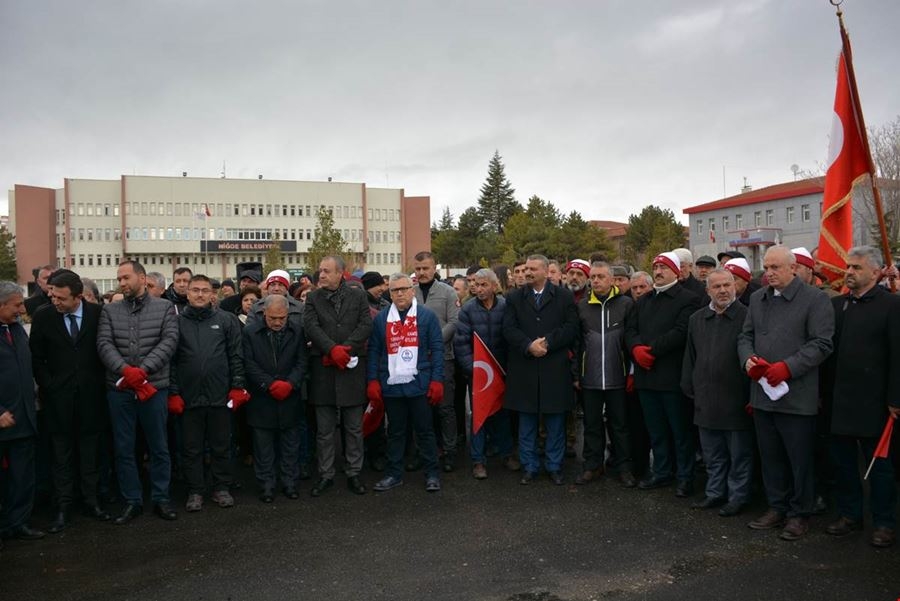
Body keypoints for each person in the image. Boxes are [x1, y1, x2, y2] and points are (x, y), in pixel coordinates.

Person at [737, 245, 834, 541]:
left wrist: (788, 368)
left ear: (793, 268)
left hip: (796, 395)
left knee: (799, 459)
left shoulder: (815, 299)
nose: (769, 273)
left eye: (775, 267)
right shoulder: (758, 298)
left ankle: (799, 513)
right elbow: (745, 336)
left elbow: (822, 343)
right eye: (766, 268)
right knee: (770, 456)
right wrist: (748, 359)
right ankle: (776, 506)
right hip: (763, 393)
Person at [822, 246, 900, 548]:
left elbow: (898, 356)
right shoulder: (837, 305)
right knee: (843, 464)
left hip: (875, 403)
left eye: (856, 267)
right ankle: (849, 514)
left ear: (876, 271)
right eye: (848, 267)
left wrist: (895, 398)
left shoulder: (892, 305)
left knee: (880, 468)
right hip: (839, 401)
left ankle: (884, 522)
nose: (849, 272)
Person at [96, 260, 180, 524]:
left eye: (126, 278)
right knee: (124, 448)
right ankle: (132, 500)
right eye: (119, 278)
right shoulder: (109, 311)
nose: (121, 283)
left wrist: (143, 371)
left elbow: (169, 341)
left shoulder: (164, 308)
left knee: (158, 446)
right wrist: (125, 371)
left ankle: (161, 498)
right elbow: (104, 344)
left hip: (153, 388)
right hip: (120, 389)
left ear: (142, 279)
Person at [30, 269, 111, 532]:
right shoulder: (43, 316)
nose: (55, 301)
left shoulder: (98, 314)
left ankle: (92, 502)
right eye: (52, 296)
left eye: (61, 298)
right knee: (61, 456)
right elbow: (37, 358)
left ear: (78, 296)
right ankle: (63, 506)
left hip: (92, 399)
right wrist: (49, 385)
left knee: (90, 454)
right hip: (57, 400)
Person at [625, 251, 702, 497]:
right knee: (656, 431)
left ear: (676, 271)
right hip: (646, 377)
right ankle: (661, 471)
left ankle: (685, 477)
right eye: (656, 267)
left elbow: (681, 331)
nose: (658, 272)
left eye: (664, 268)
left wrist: (651, 351)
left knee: (680, 432)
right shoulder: (644, 301)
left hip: (671, 378)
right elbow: (630, 330)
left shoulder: (689, 299)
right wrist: (636, 349)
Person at [168, 274, 247, 511]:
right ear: (187, 293)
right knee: (191, 448)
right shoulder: (176, 322)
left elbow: (236, 356)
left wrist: (237, 386)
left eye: (205, 290)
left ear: (213, 294)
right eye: (195, 290)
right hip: (188, 397)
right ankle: (195, 490)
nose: (200, 294)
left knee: (221, 445)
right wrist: (173, 392)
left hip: (219, 396)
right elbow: (170, 361)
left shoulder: (226, 320)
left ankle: (221, 487)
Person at [681, 269, 753, 517]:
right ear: (707, 290)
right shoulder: (697, 319)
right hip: (705, 398)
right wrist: (689, 386)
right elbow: (690, 356)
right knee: (712, 454)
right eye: (717, 286)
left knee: (739, 454)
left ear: (735, 286)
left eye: (727, 285)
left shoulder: (748, 316)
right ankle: (714, 493)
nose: (723, 290)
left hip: (736, 398)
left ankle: (737, 497)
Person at [503, 254, 579, 485]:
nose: (527, 272)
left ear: (546, 271)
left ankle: (554, 466)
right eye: (526, 268)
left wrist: (546, 343)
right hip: (524, 367)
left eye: (533, 269)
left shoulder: (564, 296)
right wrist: (528, 345)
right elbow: (509, 329)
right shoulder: (514, 298)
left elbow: (571, 328)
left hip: (554, 367)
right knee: (527, 422)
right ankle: (530, 466)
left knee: (555, 421)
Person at [368, 273, 445, 493]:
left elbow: (437, 349)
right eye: (395, 290)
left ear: (412, 291)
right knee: (395, 432)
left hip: (419, 383)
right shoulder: (381, 319)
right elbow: (374, 351)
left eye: (404, 289)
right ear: (389, 293)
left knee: (425, 431)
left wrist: (437, 380)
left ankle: (432, 474)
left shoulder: (427, 316)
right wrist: (372, 380)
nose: (400, 293)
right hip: (392, 385)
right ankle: (394, 474)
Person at [303, 256, 373, 497]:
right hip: (323, 370)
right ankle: (326, 474)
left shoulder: (358, 296)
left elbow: (365, 325)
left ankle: (354, 472)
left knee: (353, 427)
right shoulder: (313, 298)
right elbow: (311, 326)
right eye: (320, 270)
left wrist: (346, 349)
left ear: (340, 273)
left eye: (326, 271)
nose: (321, 275)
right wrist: (332, 349)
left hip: (351, 369)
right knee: (324, 430)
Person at [574, 261, 636, 488]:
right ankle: (592, 465)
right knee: (591, 424)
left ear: (611, 279)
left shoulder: (626, 304)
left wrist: (631, 373)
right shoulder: (582, 306)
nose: (596, 281)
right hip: (589, 378)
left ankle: (624, 467)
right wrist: (576, 374)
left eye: (601, 276)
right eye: (593, 277)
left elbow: (631, 340)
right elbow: (577, 343)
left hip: (617, 377)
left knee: (620, 425)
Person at [453, 268, 518, 479]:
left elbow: (512, 338)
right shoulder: (468, 309)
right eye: (476, 285)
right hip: (479, 375)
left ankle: (506, 454)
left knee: (502, 414)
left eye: (483, 285)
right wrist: (473, 369)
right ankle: (478, 461)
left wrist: (510, 369)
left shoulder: (506, 306)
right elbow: (461, 343)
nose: (479, 289)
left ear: (494, 285)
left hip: (502, 372)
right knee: (479, 416)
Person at [242, 294, 307, 502]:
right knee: (263, 447)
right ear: (264, 314)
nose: (278, 323)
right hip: (262, 398)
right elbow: (248, 364)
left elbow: (302, 362)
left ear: (288, 314)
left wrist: (290, 383)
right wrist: (269, 384)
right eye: (273, 318)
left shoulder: (297, 331)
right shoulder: (250, 332)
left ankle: (290, 483)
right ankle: (266, 485)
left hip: (290, 397)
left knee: (290, 445)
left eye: (282, 318)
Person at [0, 281, 45, 542]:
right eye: (17, 305)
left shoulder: (17, 330)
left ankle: (18, 522)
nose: (22, 310)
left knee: (22, 476)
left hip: (24, 417)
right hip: (3, 418)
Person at [412, 251, 460, 472]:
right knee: (420, 409)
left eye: (426, 268)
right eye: (418, 269)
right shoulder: (410, 292)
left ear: (434, 269)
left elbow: (454, 322)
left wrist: (434, 341)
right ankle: (424, 452)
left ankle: (450, 452)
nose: (422, 272)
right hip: (414, 360)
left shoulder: (448, 292)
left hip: (443, 357)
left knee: (445, 408)